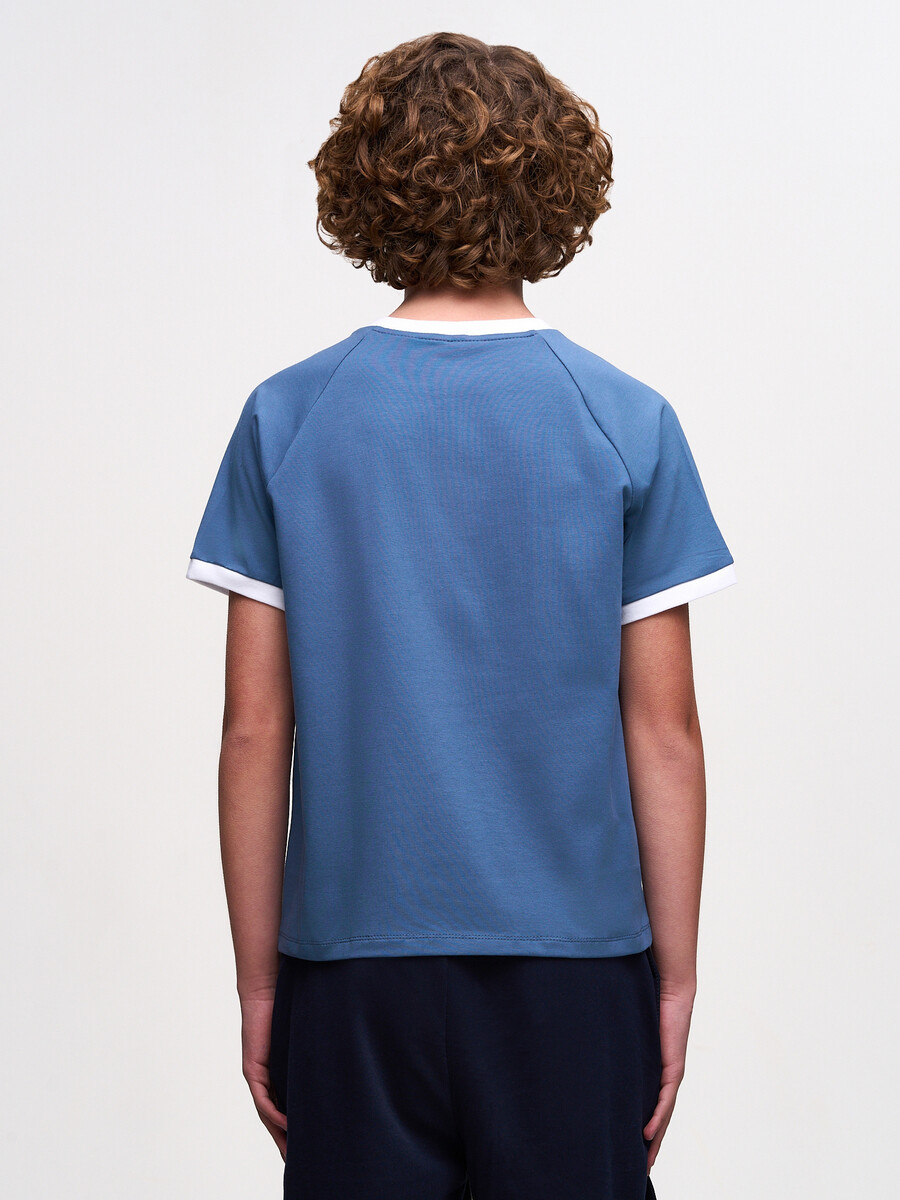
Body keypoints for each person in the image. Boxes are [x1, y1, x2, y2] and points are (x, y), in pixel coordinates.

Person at [185, 31, 736, 1200]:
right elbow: (665, 730)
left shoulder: (287, 418)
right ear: (557, 187)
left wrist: (260, 987)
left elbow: (253, 729)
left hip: (352, 969)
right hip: (575, 970)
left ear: (363, 188)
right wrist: (677, 981)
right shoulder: (626, 421)